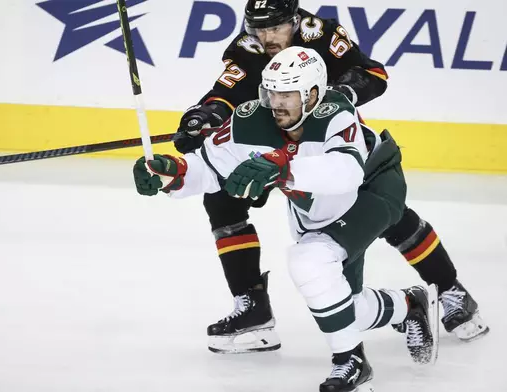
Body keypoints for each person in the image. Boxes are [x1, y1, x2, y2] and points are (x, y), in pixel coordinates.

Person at [171, 0, 487, 351]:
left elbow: (373, 74)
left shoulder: (319, 34)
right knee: (221, 200)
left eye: (274, 27)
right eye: (258, 28)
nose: (265, 36)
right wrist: (204, 115)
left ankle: (450, 289)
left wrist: (339, 95)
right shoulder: (248, 48)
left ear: (295, 19)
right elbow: (228, 93)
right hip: (277, 136)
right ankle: (253, 309)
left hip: (331, 138)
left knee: (387, 215)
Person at [134, 46, 439, 392]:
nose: (277, 102)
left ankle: (352, 361)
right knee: (343, 307)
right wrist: (172, 174)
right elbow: (210, 167)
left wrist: (282, 167)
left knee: (309, 262)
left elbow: (345, 171)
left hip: (372, 191)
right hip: (316, 208)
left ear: (312, 94)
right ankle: (408, 304)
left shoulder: (336, 112)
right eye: (271, 91)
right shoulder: (253, 117)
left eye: (288, 93)